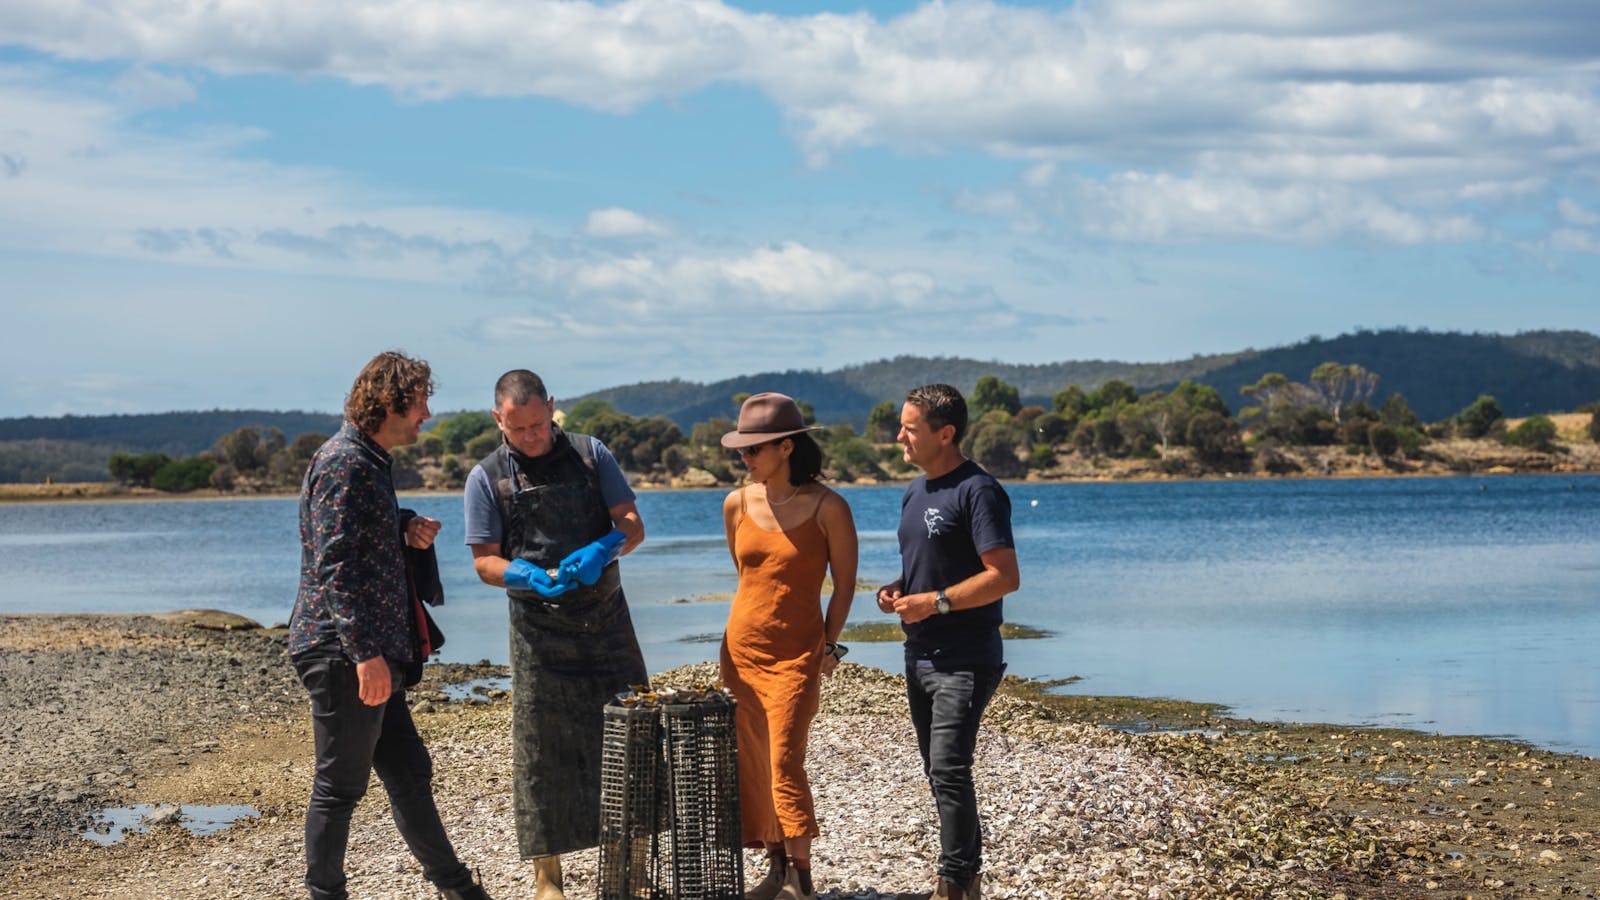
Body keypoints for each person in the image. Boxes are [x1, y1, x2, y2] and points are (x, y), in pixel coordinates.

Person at [287, 351, 492, 900]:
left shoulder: (368, 460)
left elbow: (350, 539)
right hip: (346, 652)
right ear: (387, 402)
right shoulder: (344, 462)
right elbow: (332, 563)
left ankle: (459, 890)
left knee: (408, 771)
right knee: (339, 786)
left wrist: (402, 526)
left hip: (368, 648)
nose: (427, 413)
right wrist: (363, 655)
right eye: (421, 401)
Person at [462, 369, 648, 900]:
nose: (531, 438)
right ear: (498, 419)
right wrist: (518, 573)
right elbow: (483, 563)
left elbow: (632, 523)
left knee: (628, 739)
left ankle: (630, 870)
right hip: (538, 634)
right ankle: (548, 881)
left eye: (539, 426)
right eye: (518, 429)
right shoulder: (486, 477)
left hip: (607, 621)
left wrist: (604, 548)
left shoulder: (592, 454)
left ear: (551, 407)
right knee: (541, 755)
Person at [875, 384, 1019, 900]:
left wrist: (935, 601)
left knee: (950, 769)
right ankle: (969, 878)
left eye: (910, 429)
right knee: (941, 773)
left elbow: (1003, 577)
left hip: (966, 655)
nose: (900, 437)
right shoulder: (915, 492)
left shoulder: (978, 490)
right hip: (919, 654)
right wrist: (898, 589)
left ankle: (952, 884)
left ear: (946, 433)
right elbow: (928, 566)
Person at [718, 393, 859, 900]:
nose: (745, 459)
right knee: (752, 760)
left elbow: (844, 585)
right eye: (742, 451)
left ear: (786, 446)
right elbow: (747, 577)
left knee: (784, 759)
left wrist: (831, 645)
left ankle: (802, 878)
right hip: (740, 653)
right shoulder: (736, 503)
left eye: (753, 450)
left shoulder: (829, 507)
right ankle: (774, 868)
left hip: (798, 655)